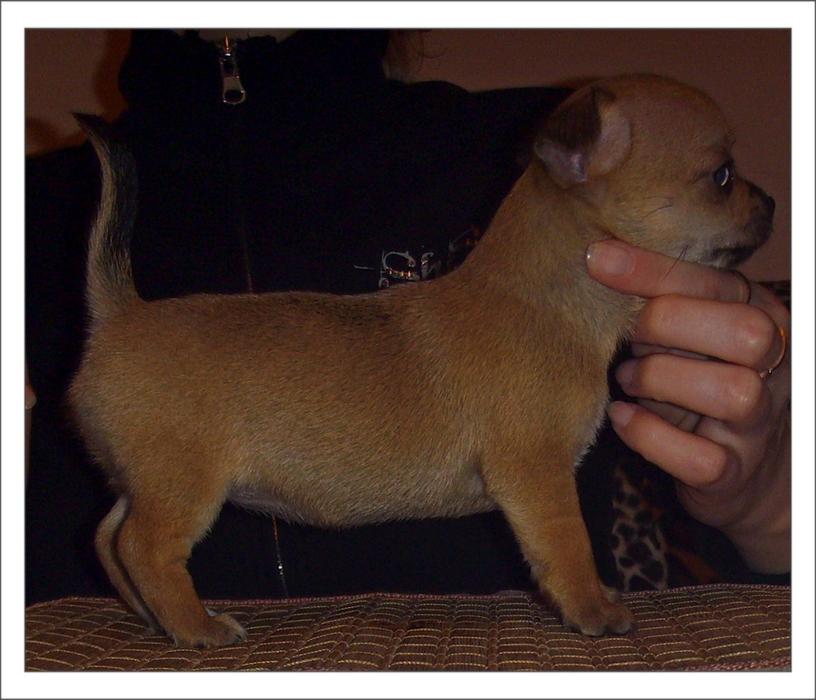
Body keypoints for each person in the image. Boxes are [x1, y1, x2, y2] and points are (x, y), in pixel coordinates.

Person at [25, 29, 790, 608]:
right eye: (719, 177)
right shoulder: (29, 209)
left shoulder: (524, 146)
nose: (747, 199)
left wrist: (775, 508)